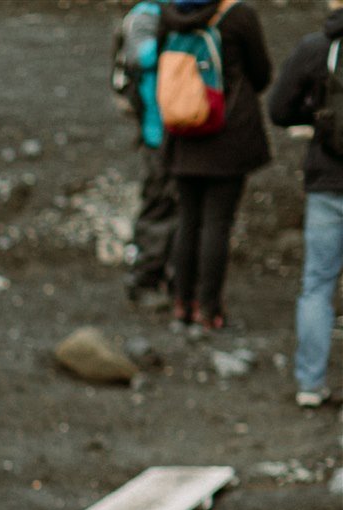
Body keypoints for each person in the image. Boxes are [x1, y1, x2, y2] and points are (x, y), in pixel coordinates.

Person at [160, 0, 273, 330]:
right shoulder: (239, 15)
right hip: (227, 134)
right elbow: (262, 73)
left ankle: (181, 303)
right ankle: (208, 309)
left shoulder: (170, 14)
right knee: (217, 224)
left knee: (188, 220)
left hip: (181, 133)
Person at [267, 0, 343, 406]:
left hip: (328, 179)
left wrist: (316, 118)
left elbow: (278, 108)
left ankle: (310, 384)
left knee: (317, 284)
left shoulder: (316, 48)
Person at [113, 0, 179, 301]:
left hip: (167, 124)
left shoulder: (157, 14)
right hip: (158, 127)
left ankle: (161, 273)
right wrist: (178, 43)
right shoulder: (146, 17)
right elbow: (141, 55)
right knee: (159, 201)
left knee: (168, 201)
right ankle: (145, 278)